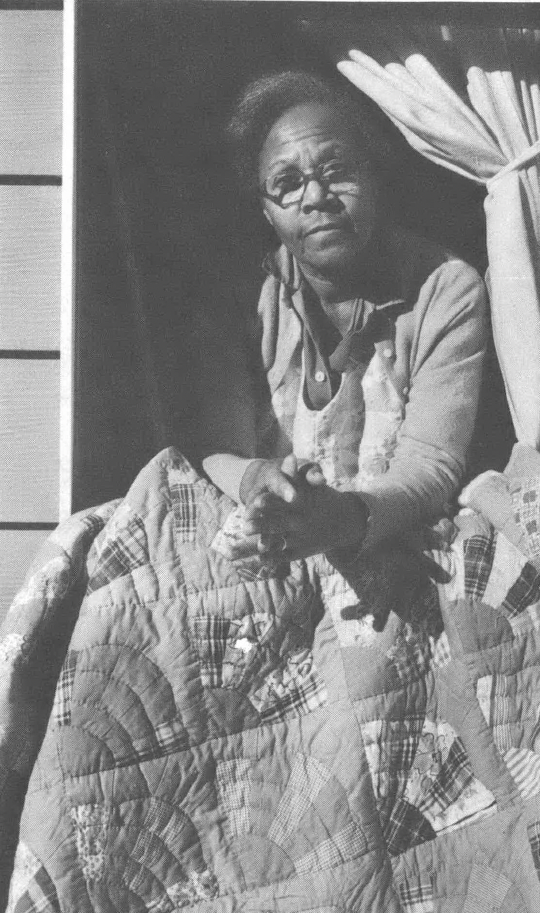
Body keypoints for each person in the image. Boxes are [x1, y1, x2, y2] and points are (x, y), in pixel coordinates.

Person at [202, 69, 488, 577]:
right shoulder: (243, 298)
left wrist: (342, 519)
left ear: (375, 177)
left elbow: (432, 465)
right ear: (266, 212)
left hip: (396, 535)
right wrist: (255, 481)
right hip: (271, 539)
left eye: (336, 170)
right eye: (286, 184)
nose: (316, 197)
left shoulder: (446, 288)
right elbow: (216, 447)